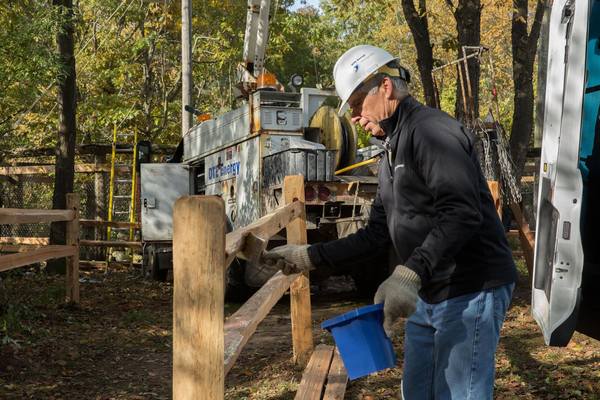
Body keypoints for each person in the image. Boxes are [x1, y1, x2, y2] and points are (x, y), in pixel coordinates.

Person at [263, 45, 517, 399]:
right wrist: (311, 256)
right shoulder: (391, 150)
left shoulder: (432, 132)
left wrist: (409, 273)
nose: (352, 116)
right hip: (427, 292)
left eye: (355, 104)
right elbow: (376, 234)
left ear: (385, 87)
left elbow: (461, 213)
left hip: (470, 289)